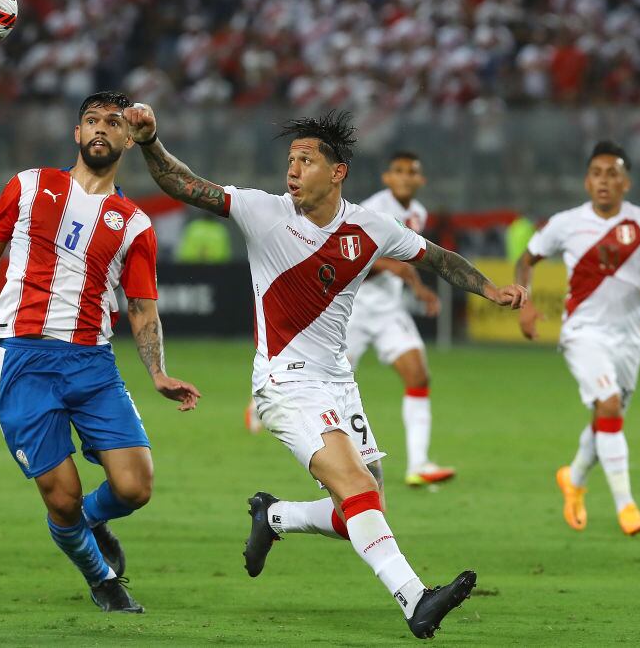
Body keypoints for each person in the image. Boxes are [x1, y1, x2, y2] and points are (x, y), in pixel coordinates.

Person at [124, 103, 528, 639]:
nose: (292, 170)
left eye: (306, 161)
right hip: (285, 382)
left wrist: (491, 290)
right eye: (290, 160)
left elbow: (438, 258)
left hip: (338, 381)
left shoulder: (370, 226)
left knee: (363, 505)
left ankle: (273, 517)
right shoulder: (262, 211)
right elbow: (185, 185)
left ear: (337, 172)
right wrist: (151, 141)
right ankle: (415, 599)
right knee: (358, 488)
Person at [0, 91, 201, 613]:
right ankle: (102, 579)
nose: (100, 129)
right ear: (77, 133)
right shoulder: (30, 185)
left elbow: (141, 308)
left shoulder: (134, 224)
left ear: (127, 138)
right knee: (62, 496)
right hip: (23, 356)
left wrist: (158, 373)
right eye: (91, 120)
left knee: (135, 487)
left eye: (113, 122)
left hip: (92, 361)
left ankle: (89, 523)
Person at [515, 140, 640, 536]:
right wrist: (526, 302)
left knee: (607, 417)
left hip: (628, 339)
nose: (604, 181)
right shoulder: (566, 223)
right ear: (586, 182)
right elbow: (527, 259)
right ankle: (627, 507)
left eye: (612, 174)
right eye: (596, 174)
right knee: (608, 405)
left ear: (626, 182)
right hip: (582, 334)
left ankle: (573, 478)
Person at [344, 151, 454, 486]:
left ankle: (418, 464)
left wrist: (415, 284)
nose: (405, 177)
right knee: (327, 381)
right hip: (352, 307)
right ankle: (261, 405)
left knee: (418, 375)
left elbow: (407, 258)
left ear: (420, 180)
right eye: (399, 171)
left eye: (411, 172)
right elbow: (353, 257)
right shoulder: (371, 210)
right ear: (387, 178)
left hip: (389, 310)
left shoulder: (418, 213)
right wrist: (405, 275)